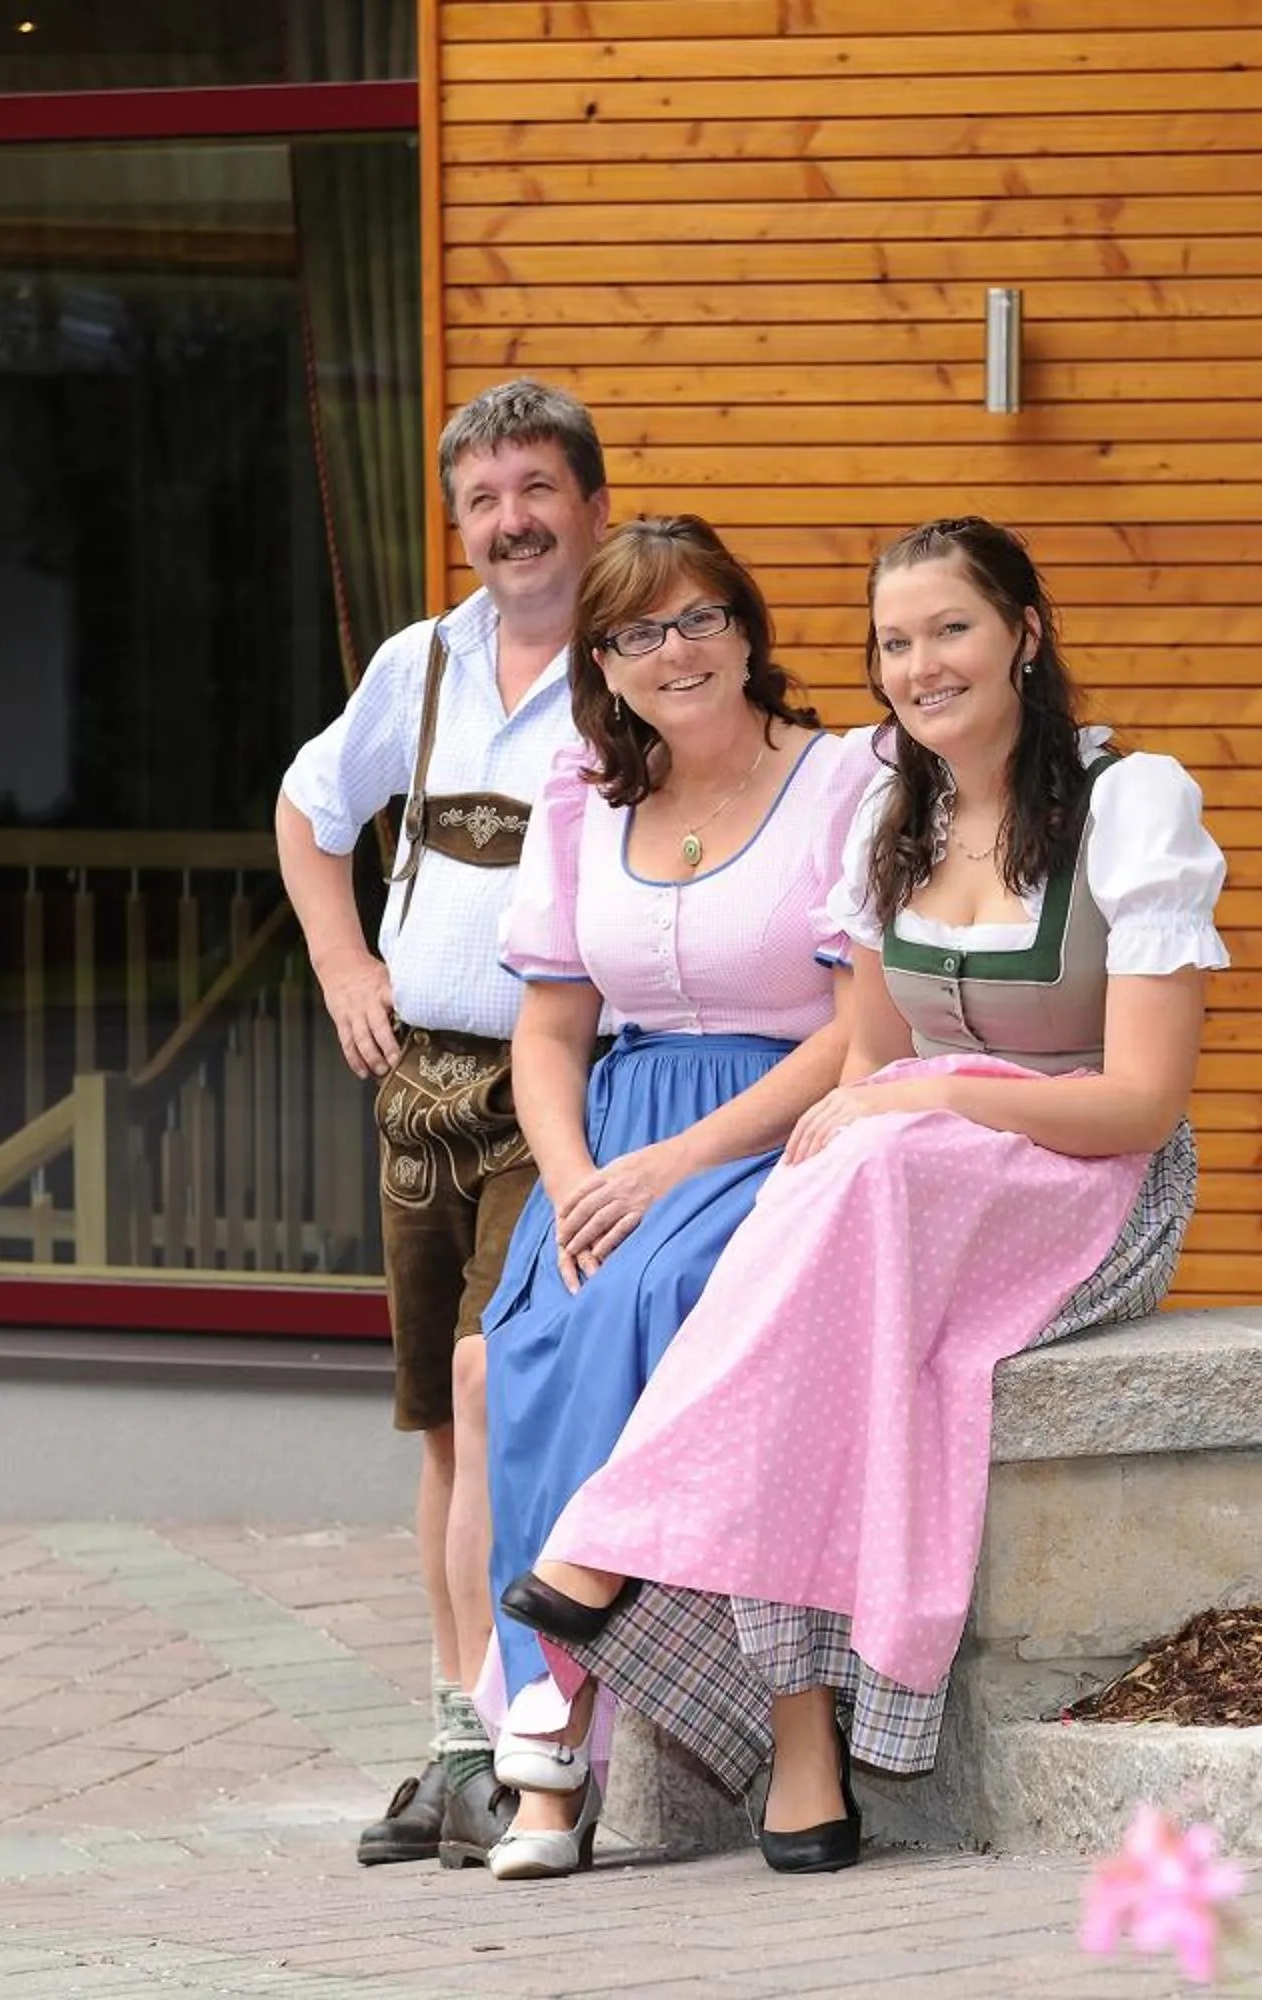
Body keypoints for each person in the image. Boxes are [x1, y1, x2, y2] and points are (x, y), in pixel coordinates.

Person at [496, 515, 1227, 1875]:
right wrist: (896, 1106)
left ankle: (608, 1541)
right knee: (831, 1234)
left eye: (951, 628)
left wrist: (938, 1096)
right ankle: (807, 1764)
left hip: (1092, 1188)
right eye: (895, 643)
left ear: (1026, 632)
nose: (922, 664)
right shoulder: (901, 815)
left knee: (863, 1163)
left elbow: (1141, 1106)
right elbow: (873, 1068)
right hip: (930, 1179)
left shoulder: (1129, 803)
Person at [470, 515, 872, 1881]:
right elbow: (546, 1035)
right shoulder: (585, 801)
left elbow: (857, 1033)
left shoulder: (845, 781)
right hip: (612, 1150)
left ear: (748, 631)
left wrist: (676, 1165)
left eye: (697, 617)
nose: (673, 650)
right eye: (636, 632)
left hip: (778, 1133)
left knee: (673, 1303)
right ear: (604, 662)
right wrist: (579, 1177)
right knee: (533, 1343)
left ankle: (573, 1735)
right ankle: (549, 1735)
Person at [274, 379, 607, 1870]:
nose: (510, 521)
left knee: (492, 1393)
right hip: (421, 1088)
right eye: (482, 499)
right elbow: (307, 810)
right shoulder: (417, 667)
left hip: (568, 1087)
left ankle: (525, 1733)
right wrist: (346, 963)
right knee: (433, 1428)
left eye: (535, 488)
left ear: (591, 504)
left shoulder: (638, 657)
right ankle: (455, 1746)